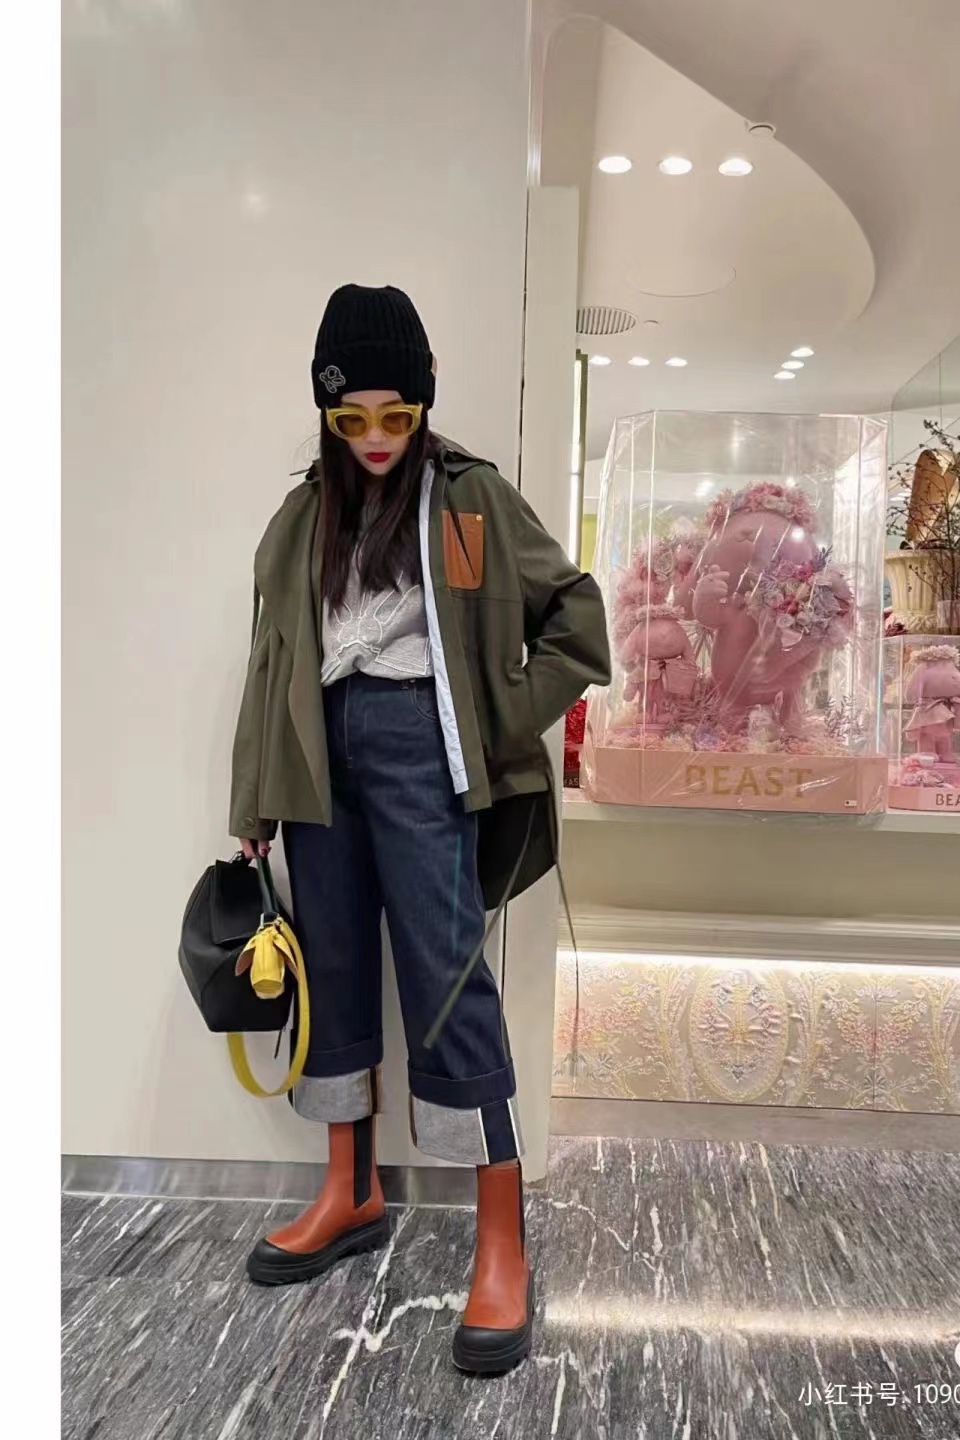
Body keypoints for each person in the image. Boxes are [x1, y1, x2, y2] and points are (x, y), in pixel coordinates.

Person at [229, 284, 610, 1373]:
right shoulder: (302, 516)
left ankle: (501, 1239)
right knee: (333, 971)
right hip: (318, 760)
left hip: (419, 750)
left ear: (426, 400)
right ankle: (349, 1191)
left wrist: (497, 716)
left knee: (447, 981)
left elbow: (577, 620)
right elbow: (272, 665)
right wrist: (252, 802)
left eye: (396, 415)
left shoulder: (469, 498)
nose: (376, 438)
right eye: (351, 418)